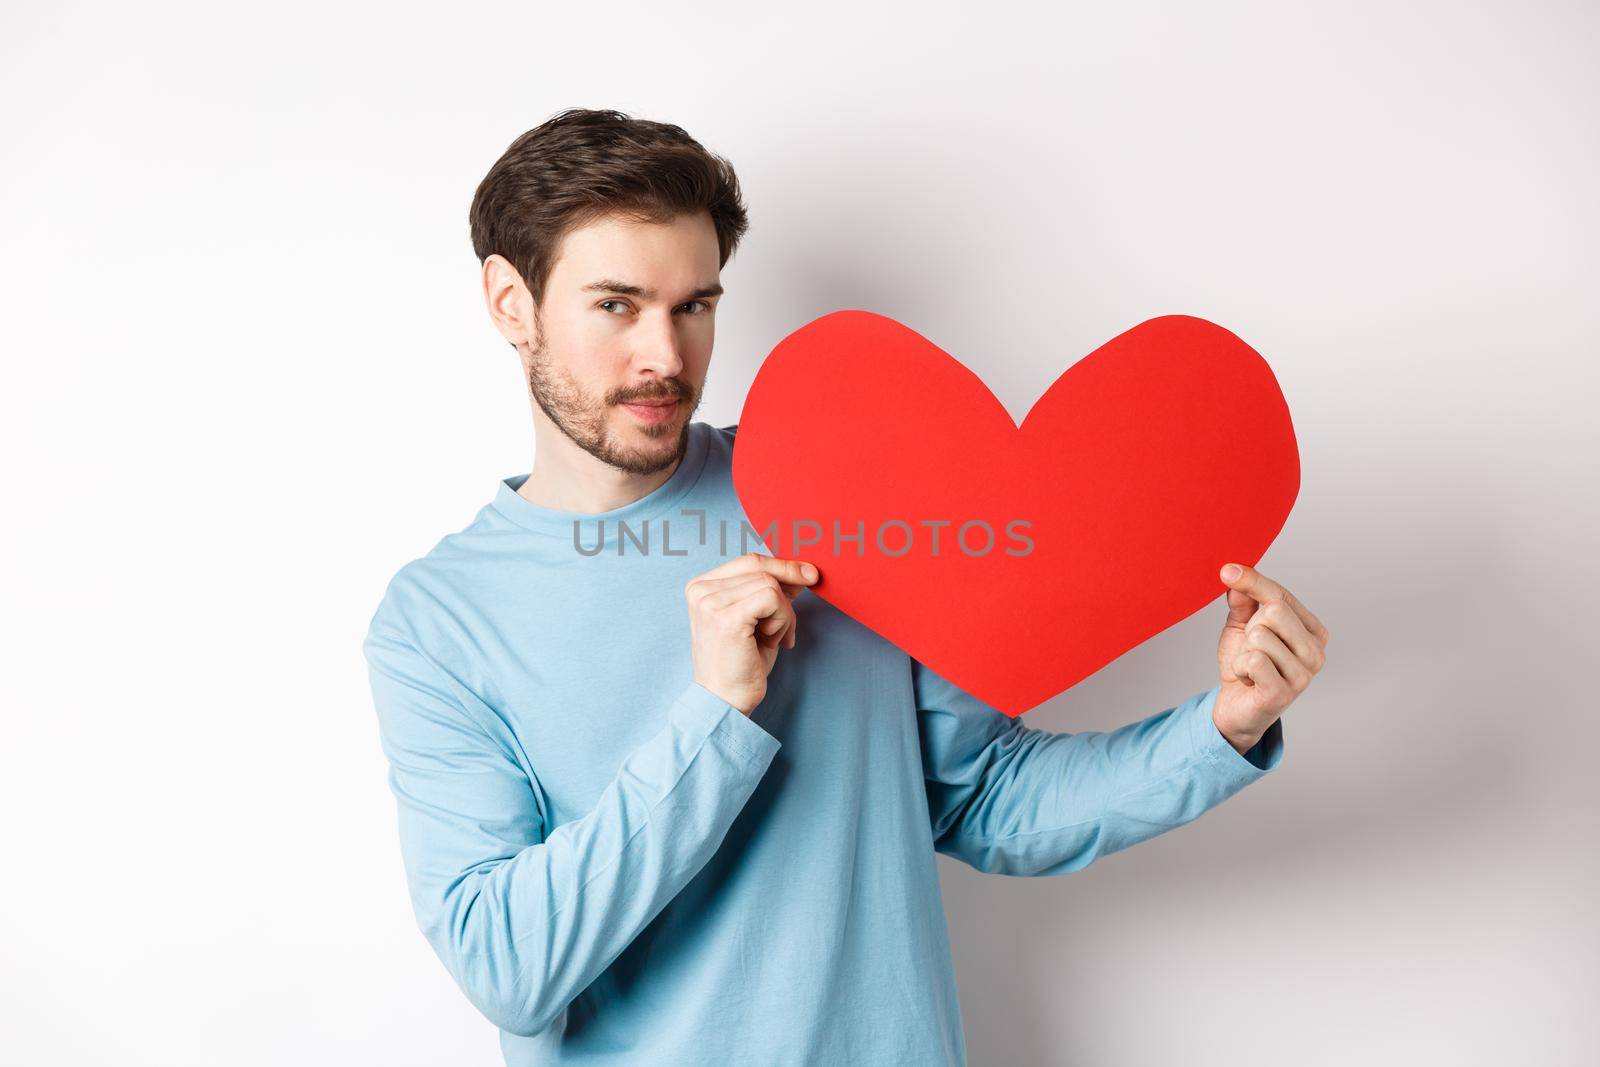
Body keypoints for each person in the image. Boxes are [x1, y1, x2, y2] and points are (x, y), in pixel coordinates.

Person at [362, 107, 1330, 1066]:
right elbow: (507, 965)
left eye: (694, 305)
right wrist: (715, 717)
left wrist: (1222, 727)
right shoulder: (437, 622)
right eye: (616, 305)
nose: (665, 355)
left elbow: (983, 797)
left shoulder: (833, 490)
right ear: (510, 302)